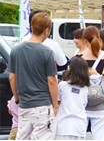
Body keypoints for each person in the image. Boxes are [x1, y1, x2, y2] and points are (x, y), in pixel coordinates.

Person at [8, 12, 58, 140]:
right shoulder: (46, 52)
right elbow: (52, 80)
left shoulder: (16, 50)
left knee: (23, 138)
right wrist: (55, 105)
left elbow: (12, 78)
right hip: (43, 105)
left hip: (24, 105)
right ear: (47, 30)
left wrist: (18, 98)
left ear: (31, 26)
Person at [80, 25, 104, 140]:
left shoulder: (78, 58)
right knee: (99, 136)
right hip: (101, 102)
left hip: (82, 102)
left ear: (84, 40)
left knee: (81, 135)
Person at [55, 56, 90, 140]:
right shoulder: (85, 89)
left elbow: (57, 102)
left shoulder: (62, 86)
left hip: (64, 126)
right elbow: (84, 104)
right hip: (80, 126)